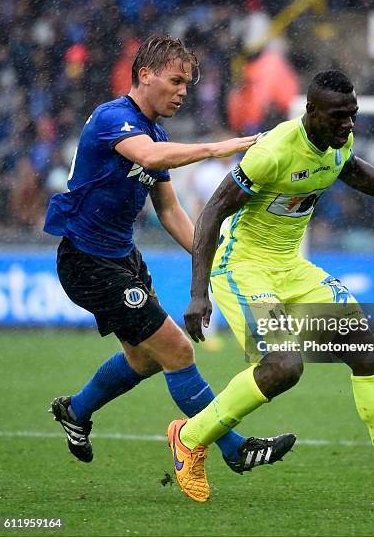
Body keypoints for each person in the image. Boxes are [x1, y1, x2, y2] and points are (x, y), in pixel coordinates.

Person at [170, 70, 374, 504]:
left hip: (292, 268)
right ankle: (190, 437)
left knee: (368, 352)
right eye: (339, 116)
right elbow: (211, 214)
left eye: (353, 115)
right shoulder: (273, 152)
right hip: (244, 269)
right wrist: (198, 292)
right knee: (284, 367)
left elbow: (352, 170)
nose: (348, 125)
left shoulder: (338, 143)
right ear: (311, 112)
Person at [43, 34, 295, 489]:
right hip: (86, 260)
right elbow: (148, 156)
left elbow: (170, 210)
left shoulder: (155, 131)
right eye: (176, 81)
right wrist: (222, 147)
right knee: (177, 350)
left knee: (143, 360)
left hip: (123, 257)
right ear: (145, 75)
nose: (183, 91)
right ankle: (235, 448)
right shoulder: (113, 118)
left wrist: (213, 262)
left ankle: (75, 411)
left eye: (188, 83)